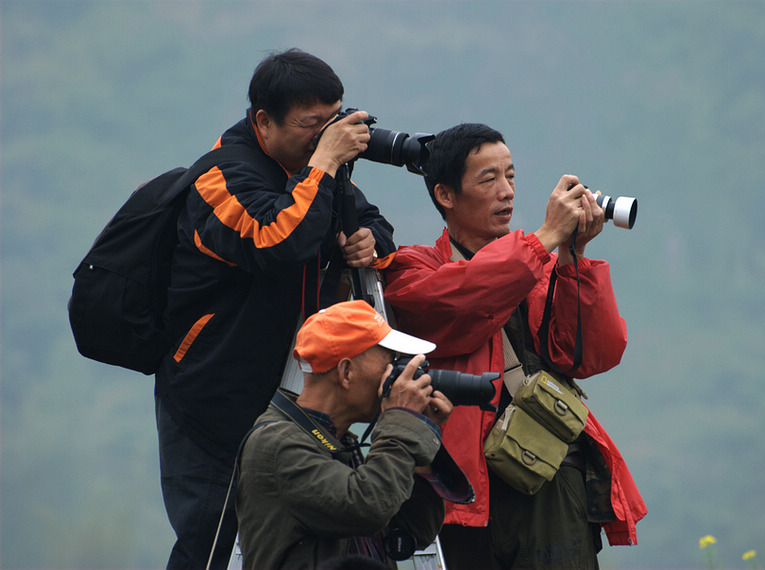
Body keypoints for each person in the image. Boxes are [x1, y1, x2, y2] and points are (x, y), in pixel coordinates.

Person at [154, 49, 396, 569]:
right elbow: (276, 240)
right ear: (263, 121)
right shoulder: (219, 178)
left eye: (330, 123)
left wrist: (367, 242)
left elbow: (376, 224)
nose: (323, 137)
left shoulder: (310, 171)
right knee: (209, 542)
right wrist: (326, 162)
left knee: (303, 544)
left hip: (297, 393)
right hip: (214, 397)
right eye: (313, 126)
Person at [383, 123, 647, 569]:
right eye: (489, 179)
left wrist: (573, 256)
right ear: (445, 195)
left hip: (550, 477)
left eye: (511, 176)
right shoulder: (413, 269)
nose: (506, 192)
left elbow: (589, 356)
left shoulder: (539, 265)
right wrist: (545, 239)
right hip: (464, 487)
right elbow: (458, 307)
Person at [235, 300, 474, 570]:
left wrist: (419, 431)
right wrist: (401, 422)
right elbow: (368, 507)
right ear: (345, 372)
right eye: (390, 363)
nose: (395, 377)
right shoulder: (278, 444)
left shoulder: (338, 441)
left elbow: (414, 531)